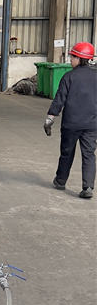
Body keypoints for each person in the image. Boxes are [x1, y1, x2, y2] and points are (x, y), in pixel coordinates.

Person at [44, 41, 97, 199]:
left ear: (79, 58)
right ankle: (88, 187)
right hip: (91, 124)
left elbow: (59, 99)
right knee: (89, 154)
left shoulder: (69, 77)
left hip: (71, 124)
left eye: (72, 57)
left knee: (67, 152)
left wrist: (50, 118)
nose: (71, 60)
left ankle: (61, 181)